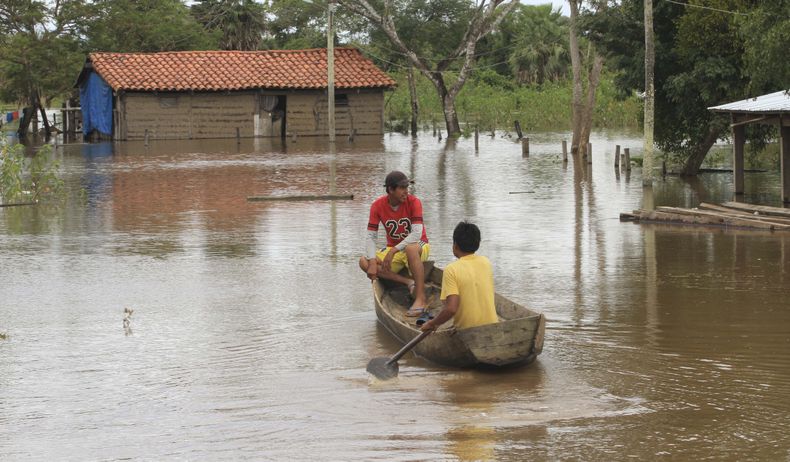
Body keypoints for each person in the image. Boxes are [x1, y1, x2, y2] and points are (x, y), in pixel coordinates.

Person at [359, 170, 430, 315]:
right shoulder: (377, 206)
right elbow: (371, 236)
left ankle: (420, 298)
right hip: (395, 249)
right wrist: (373, 261)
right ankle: (408, 282)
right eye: (402, 188)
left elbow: (417, 233)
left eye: (407, 188)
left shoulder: (414, 202)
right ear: (390, 189)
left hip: (419, 245)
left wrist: (393, 251)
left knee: (410, 249)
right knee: (364, 262)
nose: (406, 191)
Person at [420, 221, 498, 332]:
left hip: (467, 331)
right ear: (478, 244)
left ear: (455, 245)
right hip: (494, 326)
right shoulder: (486, 262)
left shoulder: (451, 269)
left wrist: (432, 323)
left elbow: (451, 309)